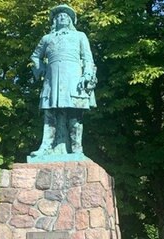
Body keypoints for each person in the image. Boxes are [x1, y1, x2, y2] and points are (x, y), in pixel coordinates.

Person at [29, 4, 97, 159]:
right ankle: (45, 147)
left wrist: (87, 75)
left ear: (71, 20)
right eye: (59, 16)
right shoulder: (47, 38)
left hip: (74, 80)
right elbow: (35, 56)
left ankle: (77, 149)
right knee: (50, 115)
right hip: (52, 81)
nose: (62, 17)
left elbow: (88, 58)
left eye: (66, 16)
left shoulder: (80, 36)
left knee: (75, 115)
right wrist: (42, 69)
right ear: (55, 21)